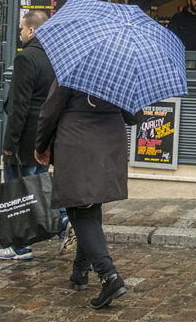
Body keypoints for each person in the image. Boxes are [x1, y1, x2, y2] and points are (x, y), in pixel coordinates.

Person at [35, 80, 133, 309]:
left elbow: (49, 112)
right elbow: (134, 116)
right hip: (108, 147)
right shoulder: (120, 72)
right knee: (89, 206)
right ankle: (79, 271)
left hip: (78, 145)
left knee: (80, 210)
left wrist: (40, 147)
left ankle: (109, 276)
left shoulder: (72, 70)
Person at [0, 10, 68, 260]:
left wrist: (9, 145)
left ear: (32, 30)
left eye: (21, 28)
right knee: (40, 187)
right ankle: (62, 222)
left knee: (21, 194)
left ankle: (21, 245)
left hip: (25, 139)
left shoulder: (27, 58)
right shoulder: (55, 57)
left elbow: (19, 106)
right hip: (45, 137)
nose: (20, 33)